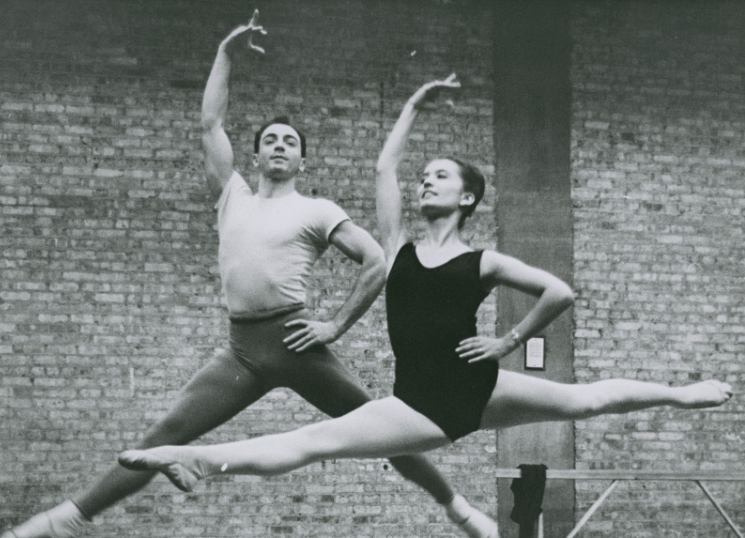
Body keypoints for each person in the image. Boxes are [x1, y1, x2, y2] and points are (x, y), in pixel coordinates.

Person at [0, 13, 500, 538]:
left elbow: (376, 261)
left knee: (386, 431)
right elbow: (211, 124)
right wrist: (225, 54)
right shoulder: (232, 193)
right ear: (256, 155)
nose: (280, 146)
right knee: (163, 439)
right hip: (241, 352)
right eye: (270, 141)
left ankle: (457, 507)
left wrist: (333, 324)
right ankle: (70, 517)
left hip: (296, 345)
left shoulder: (317, 209)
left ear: (302, 159)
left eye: (289, 142)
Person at [115, 75, 733, 505]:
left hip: (476, 387)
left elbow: (558, 291)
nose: (425, 180)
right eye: (426, 174)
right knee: (312, 445)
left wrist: (508, 339)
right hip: (423, 405)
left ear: (466, 198)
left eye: (440, 176)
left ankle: (681, 394)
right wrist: (414, 103)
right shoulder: (400, 245)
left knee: (588, 400)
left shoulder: (481, 260)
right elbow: (385, 167)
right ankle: (198, 458)